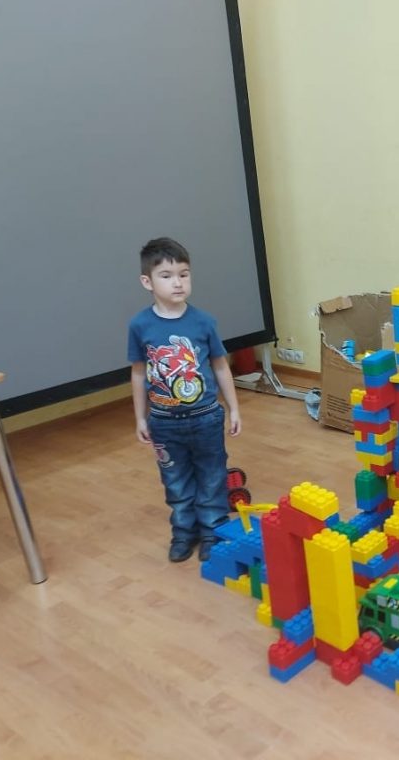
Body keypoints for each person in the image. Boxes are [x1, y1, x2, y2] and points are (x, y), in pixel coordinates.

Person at [128, 237, 242, 563]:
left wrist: (234, 408)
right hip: (164, 423)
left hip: (206, 417)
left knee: (212, 476)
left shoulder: (204, 321)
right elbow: (138, 373)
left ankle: (213, 532)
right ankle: (184, 532)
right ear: (147, 282)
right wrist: (140, 417)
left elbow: (220, 365)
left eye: (184, 274)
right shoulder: (140, 325)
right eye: (166, 276)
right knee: (175, 481)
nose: (177, 282)